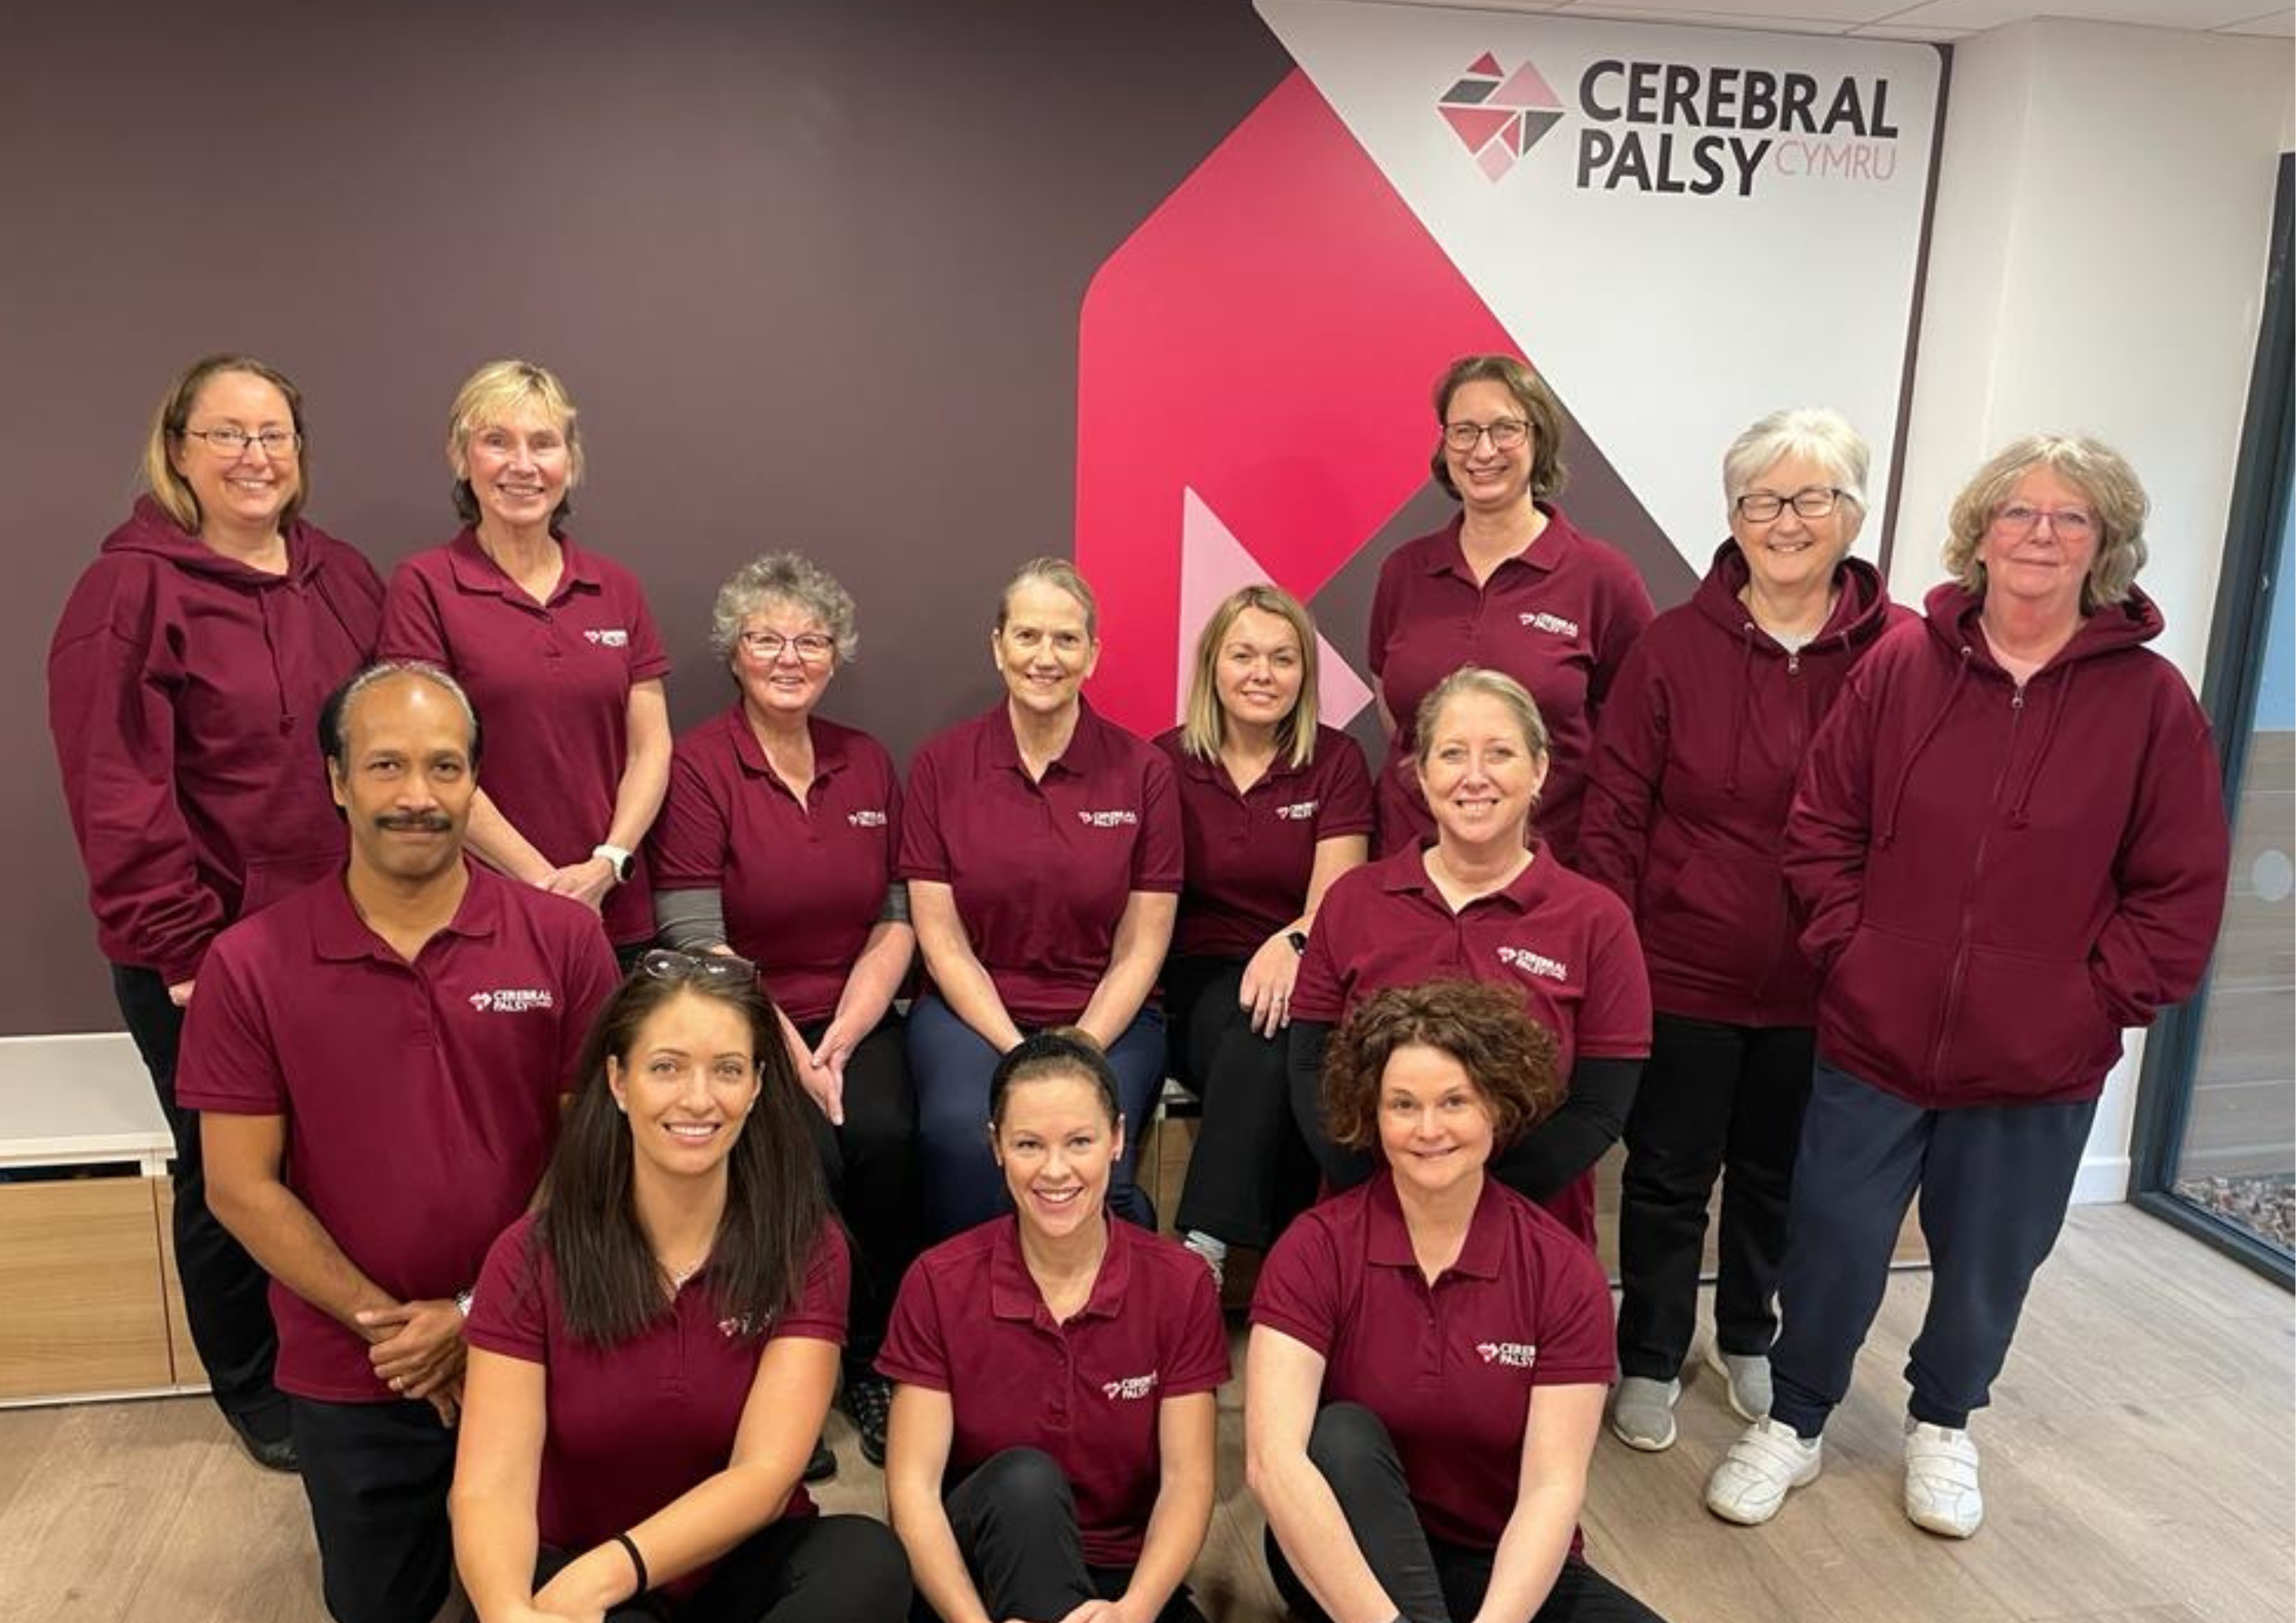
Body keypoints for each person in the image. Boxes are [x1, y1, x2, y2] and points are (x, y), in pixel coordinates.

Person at [1704, 435, 2231, 1538]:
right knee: (1833, 1241)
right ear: (1979, 532)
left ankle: (1943, 1422)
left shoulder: (2150, 704)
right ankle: (1796, 1420)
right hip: (1873, 1037)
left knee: (1990, 1262)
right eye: (2018, 513)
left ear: (2105, 547)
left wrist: (2093, 1001)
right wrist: (1850, 955)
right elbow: (1822, 830)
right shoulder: (1900, 668)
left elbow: (2179, 886)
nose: (2039, 534)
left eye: (2070, 518)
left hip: (2038, 1063)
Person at [180, 663, 621, 1623]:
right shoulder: (249, 964)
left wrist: (475, 1313)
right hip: (357, 1369)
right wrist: (399, 1330)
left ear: (474, 784)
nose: (417, 797)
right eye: (386, 766)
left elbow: (588, 1151)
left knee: (566, 1605)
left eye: (445, 767)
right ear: (337, 779)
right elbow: (239, 1187)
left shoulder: (564, 942)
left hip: (546, 1350)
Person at [48, 353, 385, 1472]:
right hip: (204, 950)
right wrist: (181, 947)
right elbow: (115, 784)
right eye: (228, 435)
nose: (255, 457)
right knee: (231, 1169)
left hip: (345, 930)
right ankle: (254, 1390)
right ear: (178, 449)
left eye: (274, 435)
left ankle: (339, 1352)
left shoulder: (340, 576)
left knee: (337, 1162)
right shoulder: (129, 590)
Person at [1578, 408, 1906, 1450]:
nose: (1786, 521)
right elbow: (1615, 808)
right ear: (1732, 518)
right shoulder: (1674, 647)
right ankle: (1649, 1352)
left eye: (1811, 497)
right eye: (1762, 501)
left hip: (1824, 977)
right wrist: (1617, 951)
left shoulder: (1902, 657)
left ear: (1852, 512)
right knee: (1669, 1172)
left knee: (1779, 1173)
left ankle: (1746, 1335)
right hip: (1684, 963)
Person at [449, 953, 914, 1623]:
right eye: (666, 1066)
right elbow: (492, 1486)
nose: (698, 1098)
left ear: (757, 1085)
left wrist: (611, 1572)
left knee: (866, 1561)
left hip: (729, 1564)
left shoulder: (806, 1243)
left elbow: (765, 1473)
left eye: (727, 1068)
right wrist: (508, 1611)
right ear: (618, 1079)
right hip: (573, 1568)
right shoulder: (530, 1254)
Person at [1247, 981, 1667, 1623]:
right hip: (1342, 1545)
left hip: (1501, 1558)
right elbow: (1274, 1463)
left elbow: (1553, 1487)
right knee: (1342, 1434)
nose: (1428, 1128)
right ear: (1372, 1111)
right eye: (1403, 1104)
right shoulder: (1315, 1247)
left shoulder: (1561, 1269)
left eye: (1454, 1101)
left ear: (1497, 1105)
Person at [650, 550, 919, 1468]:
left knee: (885, 1139)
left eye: (810, 639)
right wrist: (790, 1054)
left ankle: (872, 1361)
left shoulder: (868, 761)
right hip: (738, 1021)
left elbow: (895, 919)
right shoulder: (698, 766)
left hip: (854, 1012)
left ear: (836, 654)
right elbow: (694, 931)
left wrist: (842, 1035)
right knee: (798, 1155)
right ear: (734, 653)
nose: (789, 657)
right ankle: (776, 1378)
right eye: (766, 638)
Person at [1289, 667, 1650, 1250]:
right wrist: (1392, 1196)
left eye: (1500, 753)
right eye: (1452, 754)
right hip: (1367, 1224)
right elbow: (1309, 1068)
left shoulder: (1597, 920)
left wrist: (1475, 1205)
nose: (1474, 777)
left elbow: (1599, 1106)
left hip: (1530, 1230)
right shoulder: (1352, 902)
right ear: (1422, 775)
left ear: (1539, 770)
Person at [880, 1031, 1227, 1623]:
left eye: (1080, 1141)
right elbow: (911, 1492)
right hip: (976, 1573)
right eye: (1028, 1144)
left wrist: (1134, 1611)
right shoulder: (937, 1281)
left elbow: (1187, 1483)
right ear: (995, 1147)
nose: (1055, 1169)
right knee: (1025, 1482)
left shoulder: (1179, 1284)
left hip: (1119, 1579)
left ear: (1117, 1138)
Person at [900, 558, 1182, 1236]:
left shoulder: (1144, 772)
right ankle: (969, 1323)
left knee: (1091, 1164)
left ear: (1093, 654)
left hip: (1109, 1015)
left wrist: (1082, 1043)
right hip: (970, 1015)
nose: (1045, 657)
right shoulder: (940, 765)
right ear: (998, 646)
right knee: (964, 1139)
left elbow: (1143, 943)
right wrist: (1017, 1047)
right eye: (1027, 636)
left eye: (1065, 639)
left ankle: (1107, 1328)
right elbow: (942, 940)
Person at [378, 358, 671, 961]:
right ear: (462, 458)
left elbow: (650, 748)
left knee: (609, 1060)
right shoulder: (425, 585)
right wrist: (542, 882)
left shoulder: (616, 587)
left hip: (614, 905)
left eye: (544, 443)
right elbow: (430, 763)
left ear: (571, 461)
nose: (522, 465)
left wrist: (606, 863)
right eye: (496, 442)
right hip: (480, 905)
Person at [1154, 584, 1371, 1283]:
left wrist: (1294, 943)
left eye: (1282, 658)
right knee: (1264, 1037)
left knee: (1277, 1038)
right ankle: (1297, 1269)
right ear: (1212, 665)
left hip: (1304, 968)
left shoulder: (1336, 762)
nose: (1262, 673)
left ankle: (1207, 1251)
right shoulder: (1163, 762)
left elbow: (1336, 897)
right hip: (1194, 978)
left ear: (1305, 673)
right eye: (1243, 654)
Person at [1366, 354, 1653, 862]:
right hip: (1407, 863)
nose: (1482, 450)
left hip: (1550, 868)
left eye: (1504, 429)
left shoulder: (1601, 576)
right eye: (1464, 430)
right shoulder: (1404, 572)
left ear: (1537, 437)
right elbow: (1394, 710)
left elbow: (1635, 736)